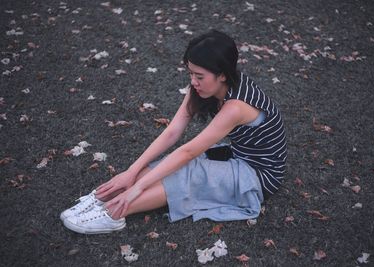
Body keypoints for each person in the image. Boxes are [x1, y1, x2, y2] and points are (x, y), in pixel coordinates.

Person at [60, 30, 287, 234]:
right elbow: (173, 132)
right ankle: (104, 197)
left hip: (258, 175)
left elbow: (188, 152)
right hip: (237, 155)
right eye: (191, 74)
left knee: (192, 171)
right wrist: (131, 172)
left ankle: (114, 213)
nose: (193, 82)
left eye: (199, 76)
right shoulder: (208, 87)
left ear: (223, 75)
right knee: (172, 164)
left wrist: (136, 189)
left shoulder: (236, 107)